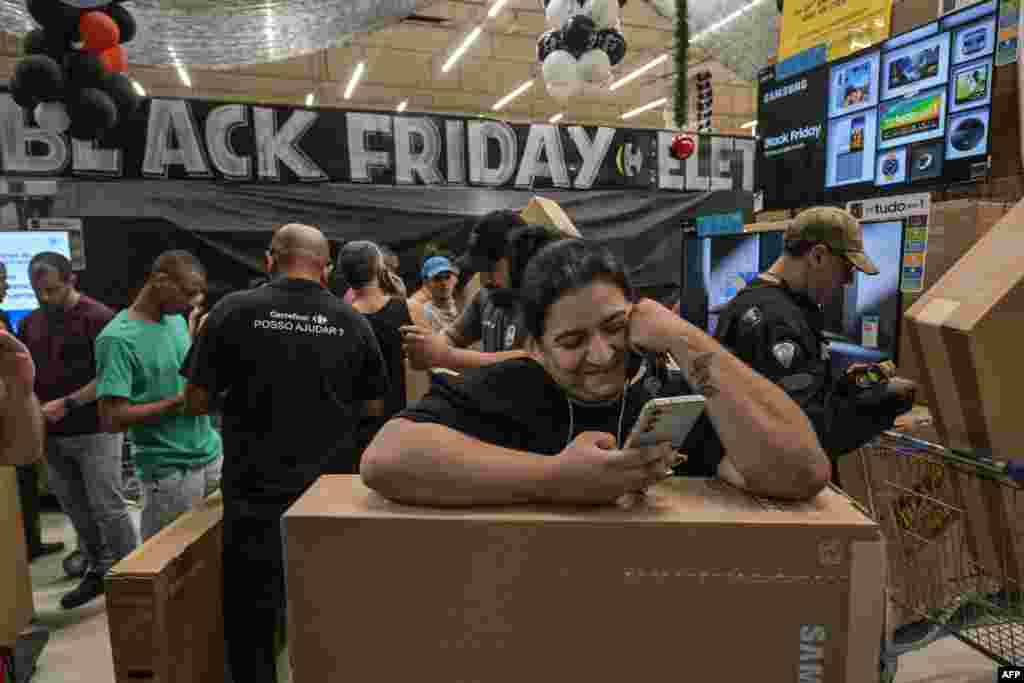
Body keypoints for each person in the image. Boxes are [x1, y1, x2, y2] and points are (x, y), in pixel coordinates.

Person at [362, 239, 830, 506]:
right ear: (537, 346)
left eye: (615, 327)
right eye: (571, 341)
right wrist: (555, 477)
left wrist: (686, 340)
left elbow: (802, 472)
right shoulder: (513, 387)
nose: (603, 354)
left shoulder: (671, 397)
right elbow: (387, 457)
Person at [181, 224, 390, 683]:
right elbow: (374, 408)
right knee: (331, 611)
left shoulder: (233, 311)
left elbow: (196, 401)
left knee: (252, 620)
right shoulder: (353, 322)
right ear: (326, 268)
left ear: (269, 259)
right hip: (328, 497)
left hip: (252, 495)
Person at [713, 207, 916, 477]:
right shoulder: (776, 319)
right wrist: (885, 404)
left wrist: (843, 387)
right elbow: (804, 434)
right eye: (845, 268)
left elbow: (787, 394)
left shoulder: (780, 305)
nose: (848, 280)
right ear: (818, 255)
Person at [20, 252, 137, 609]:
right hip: (52, 435)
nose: (45, 298)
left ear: (72, 281)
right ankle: (98, 568)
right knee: (75, 508)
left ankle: (132, 574)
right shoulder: (30, 324)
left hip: (95, 430)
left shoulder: (100, 319)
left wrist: (67, 403)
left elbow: (111, 377)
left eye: (52, 290)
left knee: (108, 506)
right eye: (38, 291)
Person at [95, 250, 223, 543]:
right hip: (168, 472)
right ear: (160, 280)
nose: (192, 302)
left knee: (211, 554)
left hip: (210, 455)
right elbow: (112, 419)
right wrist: (178, 403)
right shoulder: (117, 339)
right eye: (188, 292)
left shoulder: (176, 321)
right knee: (171, 564)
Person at [401, 215, 564, 372]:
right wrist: (426, 346)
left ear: (519, 259)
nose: (484, 280)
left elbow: (536, 360)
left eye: (490, 268)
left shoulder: (548, 301)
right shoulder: (485, 297)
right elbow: (454, 335)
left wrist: (446, 356)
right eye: (479, 270)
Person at [338, 240, 429, 460]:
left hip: (360, 430)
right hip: (408, 422)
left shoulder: (339, 318)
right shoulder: (411, 309)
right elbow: (430, 366)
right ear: (380, 269)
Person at [418, 255, 460, 333]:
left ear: (455, 279)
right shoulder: (424, 314)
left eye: (447, 277)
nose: (444, 283)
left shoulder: (464, 306)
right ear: (426, 283)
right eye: (437, 279)